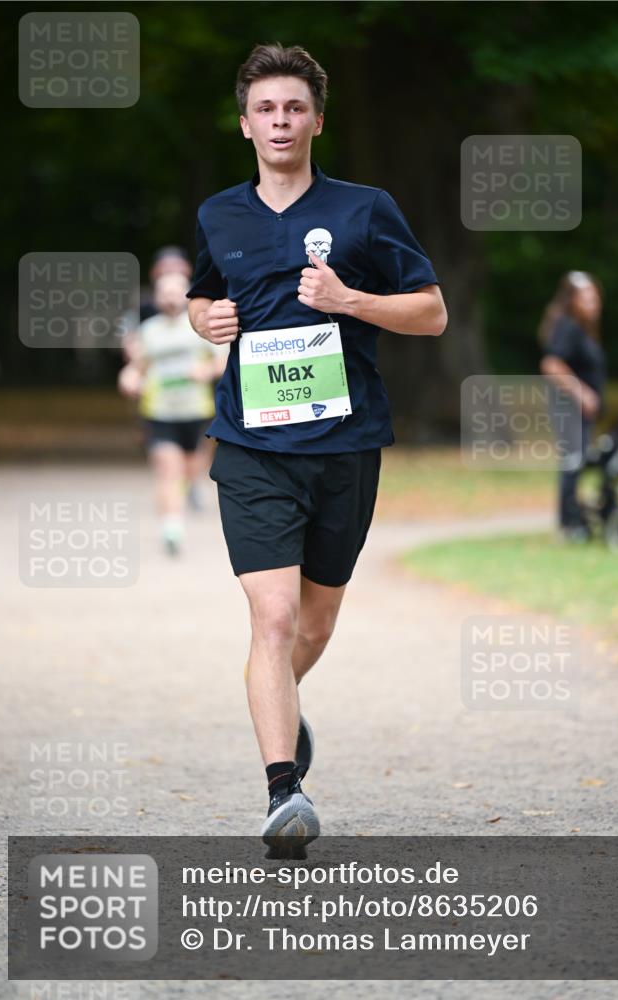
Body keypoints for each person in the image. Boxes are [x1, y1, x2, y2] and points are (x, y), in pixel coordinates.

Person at [187, 43, 447, 856]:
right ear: (244, 124)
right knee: (272, 616)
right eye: (265, 108)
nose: (279, 120)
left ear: (317, 120)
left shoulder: (366, 209)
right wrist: (205, 321)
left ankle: (277, 710)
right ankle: (282, 790)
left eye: (294, 107)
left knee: (315, 620)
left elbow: (432, 312)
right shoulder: (218, 214)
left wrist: (350, 299)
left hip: (345, 444)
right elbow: (202, 294)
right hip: (251, 445)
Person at [118, 272, 228, 554]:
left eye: (175, 292)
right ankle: (171, 527)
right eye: (163, 292)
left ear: (186, 295)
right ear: (156, 297)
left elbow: (222, 361)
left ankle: (188, 490)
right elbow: (138, 366)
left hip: (196, 411)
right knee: (169, 470)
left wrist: (205, 371)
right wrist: (130, 376)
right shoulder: (148, 330)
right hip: (159, 411)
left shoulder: (199, 325)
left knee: (191, 470)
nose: (169, 298)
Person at [539, 271, 607, 541]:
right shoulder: (568, 327)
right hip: (569, 410)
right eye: (586, 298)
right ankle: (569, 524)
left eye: (595, 298)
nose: (593, 304)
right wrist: (583, 394)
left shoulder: (580, 329)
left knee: (576, 462)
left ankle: (574, 519)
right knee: (572, 461)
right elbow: (551, 364)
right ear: (572, 301)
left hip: (577, 413)